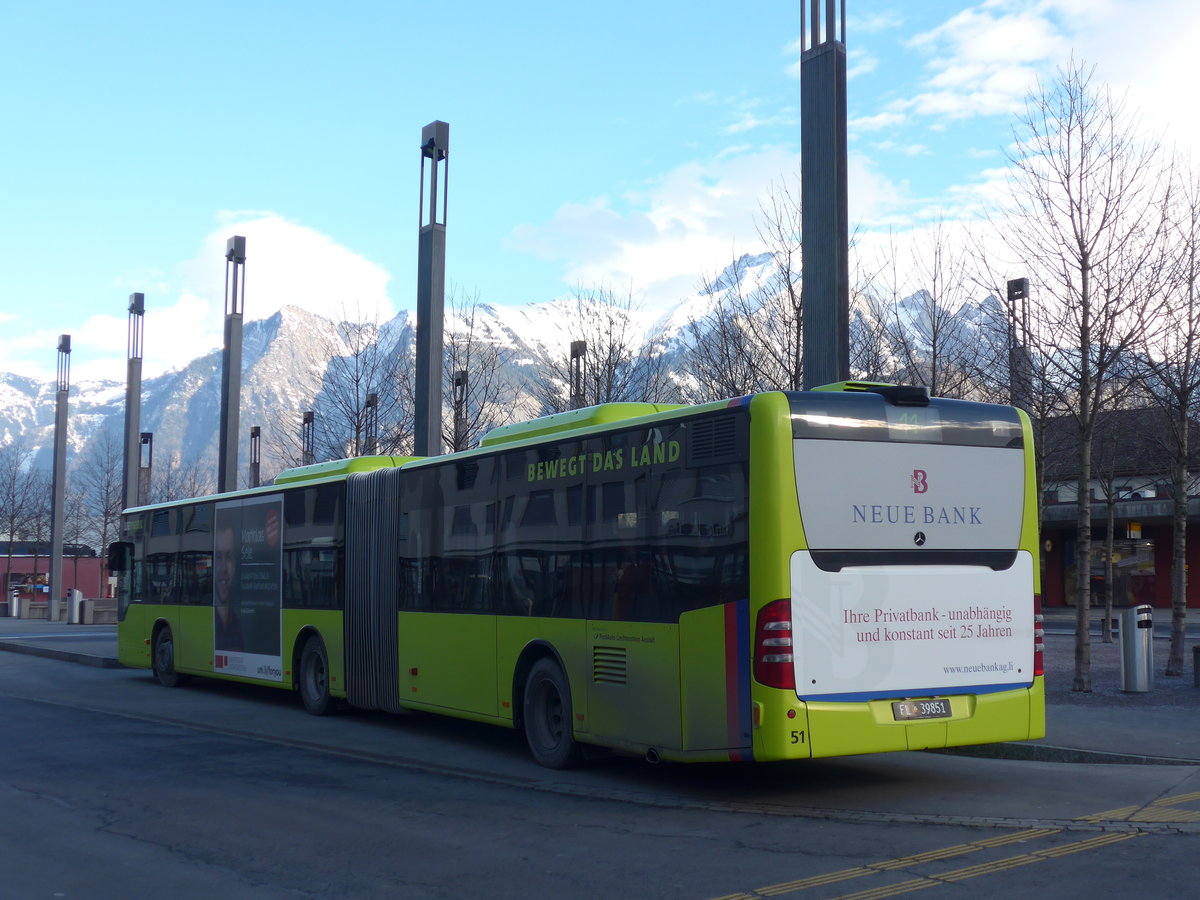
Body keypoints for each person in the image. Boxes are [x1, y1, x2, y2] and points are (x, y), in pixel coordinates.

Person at [214, 523, 243, 651]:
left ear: (235, 564)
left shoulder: (237, 623)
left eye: (229, 557)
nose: (224, 568)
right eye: (218, 557)